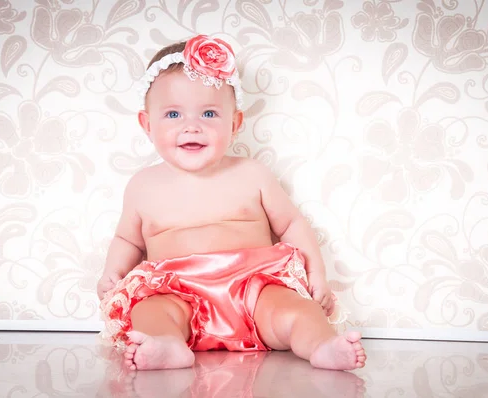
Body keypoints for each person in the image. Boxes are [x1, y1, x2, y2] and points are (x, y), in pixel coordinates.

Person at [97, 34, 366, 372]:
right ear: (147, 124)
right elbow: (127, 240)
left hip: (255, 289)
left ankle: (320, 344)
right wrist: (113, 273)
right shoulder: (142, 186)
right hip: (177, 293)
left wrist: (318, 275)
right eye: (173, 115)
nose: (191, 126)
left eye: (209, 113)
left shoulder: (252, 174)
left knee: (294, 309)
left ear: (235, 123)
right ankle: (166, 343)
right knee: (148, 310)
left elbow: (291, 224)